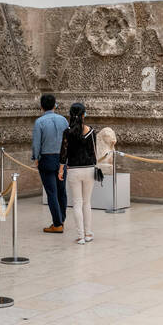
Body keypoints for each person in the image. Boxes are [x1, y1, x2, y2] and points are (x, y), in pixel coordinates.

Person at [59, 102, 100, 245]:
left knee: (77, 203)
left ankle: (80, 236)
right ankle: (88, 233)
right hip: (89, 169)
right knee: (87, 203)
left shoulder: (67, 132)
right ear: (83, 115)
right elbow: (94, 153)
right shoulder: (91, 131)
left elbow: (63, 154)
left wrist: (60, 170)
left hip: (73, 170)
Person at [31, 93, 68, 233]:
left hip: (46, 158)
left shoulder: (39, 122)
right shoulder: (63, 120)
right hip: (62, 159)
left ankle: (57, 223)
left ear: (41, 106)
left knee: (51, 192)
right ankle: (61, 219)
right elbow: (67, 142)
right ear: (55, 105)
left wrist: (35, 157)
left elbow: (36, 143)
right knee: (61, 191)